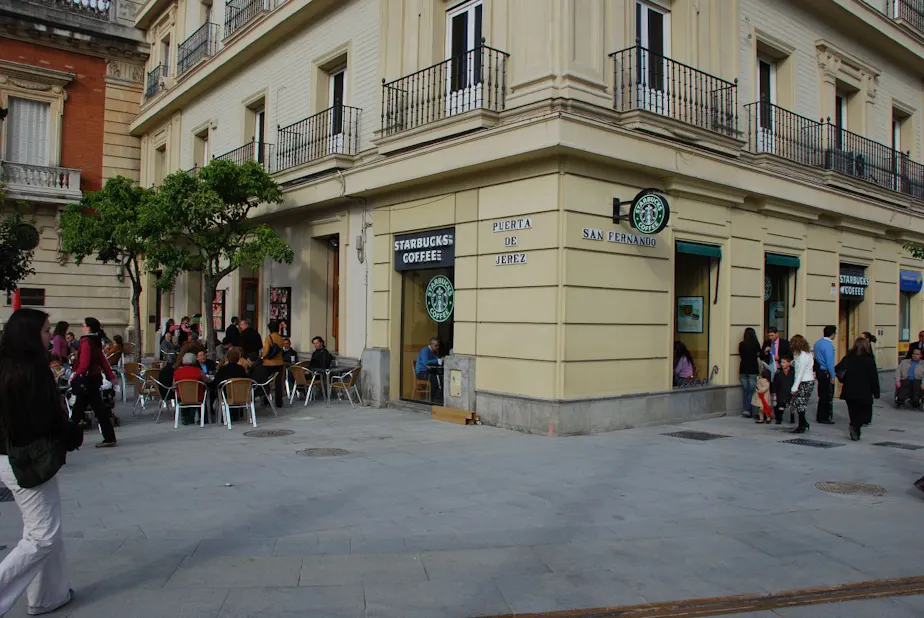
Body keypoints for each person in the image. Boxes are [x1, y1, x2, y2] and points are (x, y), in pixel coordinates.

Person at [0, 309, 75, 616]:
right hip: (25, 459)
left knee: (46, 527)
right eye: (46, 331)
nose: (50, 336)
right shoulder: (31, 370)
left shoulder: (8, 365)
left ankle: (49, 595)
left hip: (13, 456)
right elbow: (41, 419)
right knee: (42, 535)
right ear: (31, 335)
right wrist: (68, 432)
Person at [70, 317, 118, 447]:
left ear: (88, 327)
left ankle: (68, 438)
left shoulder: (86, 342)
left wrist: (76, 375)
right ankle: (109, 437)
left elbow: (84, 363)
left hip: (86, 379)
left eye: (83, 325)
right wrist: (110, 376)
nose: (82, 327)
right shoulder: (96, 341)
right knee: (98, 410)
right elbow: (102, 360)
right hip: (95, 379)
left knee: (78, 411)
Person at [836, 337, 880, 441]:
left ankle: (855, 429)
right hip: (864, 390)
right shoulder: (869, 359)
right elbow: (873, 377)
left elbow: (837, 368)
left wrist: (844, 378)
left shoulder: (849, 357)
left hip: (849, 389)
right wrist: (876, 391)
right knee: (864, 413)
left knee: (853, 412)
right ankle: (855, 428)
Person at [787, 334, 816, 434]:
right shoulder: (804, 354)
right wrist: (793, 363)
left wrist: (794, 387)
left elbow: (800, 372)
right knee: (799, 403)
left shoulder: (803, 355)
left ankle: (801, 425)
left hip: (804, 381)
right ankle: (803, 423)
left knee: (800, 404)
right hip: (806, 381)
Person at [214, 348, 250, 421]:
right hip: (240, 395)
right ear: (238, 359)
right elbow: (247, 380)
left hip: (226, 395)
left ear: (227, 358)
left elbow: (216, 382)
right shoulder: (241, 369)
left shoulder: (223, 369)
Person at [173, 352, 206, 425]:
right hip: (197, 397)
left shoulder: (176, 372)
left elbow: (174, 386)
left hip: (182, 397)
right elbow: (206, 380)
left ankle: (185, 417)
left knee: (183, 396)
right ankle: (201, 417)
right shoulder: (199, 371)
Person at [813, 325, 837, 425]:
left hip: (819, 370)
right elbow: (830, 362)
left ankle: (820, 416)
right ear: (832, 334)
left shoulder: (817, 343)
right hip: (825, 371)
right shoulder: (828, 345)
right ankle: (824, 417)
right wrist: (833, 375)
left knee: (821, 394)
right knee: (827, 395)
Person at [262, 320, 286, 408]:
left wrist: (263, 356)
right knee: (278, 382)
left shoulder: (268, 338)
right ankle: (279, 402)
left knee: (266, 381)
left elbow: (266, 351)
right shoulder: (280, 338)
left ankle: (266, 399)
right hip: (279, 362)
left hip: (269, 363)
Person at [739, 327, 761, 418]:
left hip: (743, 368)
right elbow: (759, 354)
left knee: (745, 391)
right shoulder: (756, 344)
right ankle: (751, 410)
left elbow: (741, 355)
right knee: (752, 391)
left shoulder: (741, 344)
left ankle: (746, 410)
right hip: (752, 369)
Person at [773, 354, 795, 424]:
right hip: (781, 391)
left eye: (784, 362)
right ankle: (779, 418)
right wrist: (774, 393)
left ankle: (792, 417)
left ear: (789, 363)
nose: (782, 364)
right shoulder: (778, 373)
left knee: (792, 406)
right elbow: (775, 383)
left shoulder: (793, 372)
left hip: (790, 391)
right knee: (780, 405)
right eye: (781, 362)